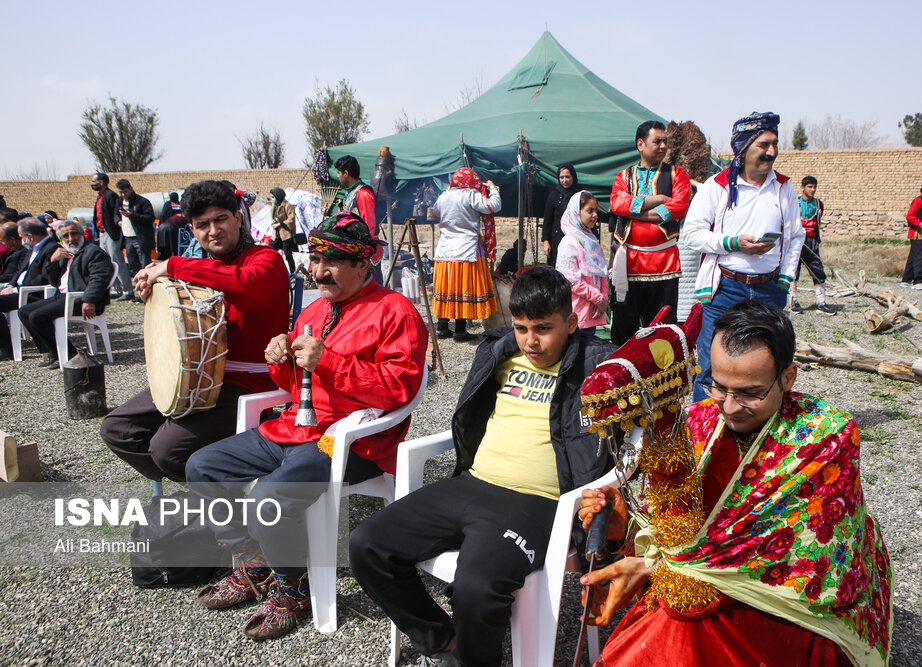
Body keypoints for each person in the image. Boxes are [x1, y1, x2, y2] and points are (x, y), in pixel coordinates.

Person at [579, 300, 893, 667]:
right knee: (678, 620)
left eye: (749, 393)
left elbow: (795, 561)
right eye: (717, 385)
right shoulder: (699, 419)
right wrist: (627, 528)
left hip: (782, 602)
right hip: (692, 588)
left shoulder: (825, 436)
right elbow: (681, 531)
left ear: (787, 378)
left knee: (678, 627)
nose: (728, 406)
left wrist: (658, 569)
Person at [350, 266, 616, 667]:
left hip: (539, 503)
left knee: (477, 589)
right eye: (523, 327)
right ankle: (444, 644)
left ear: (572, 322)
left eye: (543, 328)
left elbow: (639, 415)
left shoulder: (598, 364)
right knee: (366, 543)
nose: (531, 340)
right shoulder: (499, 351)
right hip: (473, 484)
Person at [186, 213, 427, 640]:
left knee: (269, 496)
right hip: (294, 429)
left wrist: (328, 361)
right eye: (315, 260)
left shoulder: (396, 311)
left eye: (331, 261)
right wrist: (279, 358)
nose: (318, 272)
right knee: (202, 466)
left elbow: (399, 390)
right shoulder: (315, 309)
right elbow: (297, 384)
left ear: (361, 265)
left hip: (352, 444)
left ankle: (294, 588)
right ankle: (255, 561)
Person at [101, 180, 288, 483]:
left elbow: (248, 284)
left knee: (167, 450)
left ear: (238, 218)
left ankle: (216, 488)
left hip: (244, 387)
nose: (213, 230)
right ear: (192, 229)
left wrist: (170, 265)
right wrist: (152, 285)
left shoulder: (267, 260)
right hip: (192, 378)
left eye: (220, 219)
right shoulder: (199, 267)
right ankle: (208, 484)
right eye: (202, 225)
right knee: (118, 429)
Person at [683, 112, 804, 402]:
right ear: (744, 145)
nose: (772, 152)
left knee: (766, 362)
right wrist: (733, 243)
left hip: (769, 289)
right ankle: (706, 433)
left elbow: (796, 236)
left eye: (775, 144)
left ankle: (757, 430)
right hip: (724, 288)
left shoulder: (783, 187)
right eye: (764, 145)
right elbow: (691, 234)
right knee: (711, 366)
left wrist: (785, 280)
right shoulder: (718, 185)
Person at [609, 121, 692, 344]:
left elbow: (680, 206)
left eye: (665, 141)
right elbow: (617, 204)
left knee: (661, 330)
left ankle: (658, 377)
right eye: (658, 141)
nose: (664, 146)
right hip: (629, 263)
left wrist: (635, 213)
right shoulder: (624, 176)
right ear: (640, 144)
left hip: (664, 263)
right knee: (624, 326)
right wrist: (657, 200)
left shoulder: (678, 175)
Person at [18, 220, 113, 369]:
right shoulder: (66, 252)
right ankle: (51, 352)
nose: (70, 239)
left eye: (74, 233)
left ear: (81, 234)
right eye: (66, 236)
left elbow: (99, 279)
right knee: (24, 312)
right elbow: (53, 280)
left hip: (80, 299)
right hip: (64, 296)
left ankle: (70, 354)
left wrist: (89, 300)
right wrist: (53, 261)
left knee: (37, 316)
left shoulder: (93, 252)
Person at [431, 167, 500, 342]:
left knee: (447, 289)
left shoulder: (443, 196)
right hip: (466, 250)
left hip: (446, 251)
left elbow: (435, 212)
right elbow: (494, 206)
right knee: (462, 289)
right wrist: (493, 189)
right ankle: (460, 331)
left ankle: (442, 327)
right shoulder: (471, 195)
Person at [0, 219, 55, 361]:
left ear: (30, 236)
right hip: (19, 291)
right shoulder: (33, 249)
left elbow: (44, 278)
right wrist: (10, 286)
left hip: (33, 294)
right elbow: (19, 272)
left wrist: (16, 290)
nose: (21, 240)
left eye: (21, 236)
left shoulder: (50, 249)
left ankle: (5, 348)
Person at [556, 191, 609, 334]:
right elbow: (571, 280)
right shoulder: (569, 242)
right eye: (589, 211)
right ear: (576, 213)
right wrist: (598, 298)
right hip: (576, 312)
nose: (595, 215)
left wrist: (603, 300)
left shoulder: (591, 240)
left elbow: (602, 272)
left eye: (596, 210)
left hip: (593, 310)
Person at [789, 176, 835, 316]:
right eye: (809, 187)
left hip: (812, 241)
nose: (812, 190)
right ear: (803, 187)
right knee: (794, 271)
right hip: (796, 240)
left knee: (818, 270)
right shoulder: (795, 202)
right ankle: (793, 301)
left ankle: (821, 302)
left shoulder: (818, 204)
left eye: (814, 187)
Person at [333, 155, 382, 283]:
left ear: (346, 173)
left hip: (365, 253)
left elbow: (369, 225)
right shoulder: (351, 193)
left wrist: (362, 252)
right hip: (354, 250)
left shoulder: (363, 193)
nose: (338, 176)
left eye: (339, 173)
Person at [91, 172, 130, 299]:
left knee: (116, 260)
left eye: (93, 181)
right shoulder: (100, 197)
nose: (92, 184)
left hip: (111, 233)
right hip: (102, 233)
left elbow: (115, 213)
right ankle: (116, 288)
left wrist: (116, 228)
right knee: (106, 262)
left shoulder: (110, 196)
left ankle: (127, 290)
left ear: (101, 182)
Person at [115, 179, 155, 299]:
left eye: (125, 192)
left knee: (145, 265)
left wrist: (131, 215)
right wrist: (118, 221)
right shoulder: (119, 201)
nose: (123, 194)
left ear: (131, 189)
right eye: (121, 192)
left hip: (140, 238)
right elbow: (115, 213)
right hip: (127, 237)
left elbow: (149, 218)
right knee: (133, 265)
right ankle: (138, 291)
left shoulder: (142, 202)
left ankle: (149, 290)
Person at [542, 164, 583, 266]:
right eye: (562, 177)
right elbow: (547, 220)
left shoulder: (580, 195)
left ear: (573, 177)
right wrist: (546, 241)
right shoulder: (554, 195)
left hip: (576, 238)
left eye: (567, 177)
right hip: (557, 238)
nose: (564, 180)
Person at [901, 182, 922, 290]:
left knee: (913, 257)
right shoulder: (918, 201)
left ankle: (906, 280)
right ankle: (917, 281)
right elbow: (910, 216)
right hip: (918, 234)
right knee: (920, 258)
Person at [269, 187, 298, 274]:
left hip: (286, 235)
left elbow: (291, 219)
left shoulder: (287, 205)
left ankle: (293, 273)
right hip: (276, 235)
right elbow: (273, 216)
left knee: (288, 256)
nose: (272, 199)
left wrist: (280, 224)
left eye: (273, 197)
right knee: (270, 252)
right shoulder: (274, 206)